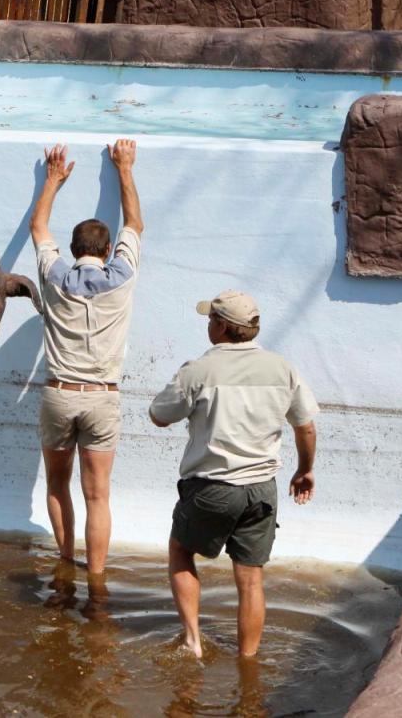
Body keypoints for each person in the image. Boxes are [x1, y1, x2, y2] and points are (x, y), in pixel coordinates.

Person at [148, 291, 319, 659]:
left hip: (212, 487)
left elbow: (159, 416)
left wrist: (183, 380)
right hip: (261, 490)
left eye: (211, 319)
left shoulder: (198, 369)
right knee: (251, 578)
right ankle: (248, 661)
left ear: (223, 327)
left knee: (180, 550)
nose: (208, 325)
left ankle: (193, 640)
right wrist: (305, 470)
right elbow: (305, 427)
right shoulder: (282, 368)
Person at [28, 141, 143, 577]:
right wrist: (124, 169)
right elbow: (135, 222)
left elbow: (39, 227)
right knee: (99, 496)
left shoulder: (55, 276)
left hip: (59, 394)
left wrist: (53, 181)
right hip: (102, 397)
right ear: (108, 248)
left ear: (73, 249)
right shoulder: (123, 276)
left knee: (58, 485)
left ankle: (64, 564)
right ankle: (95, 578)